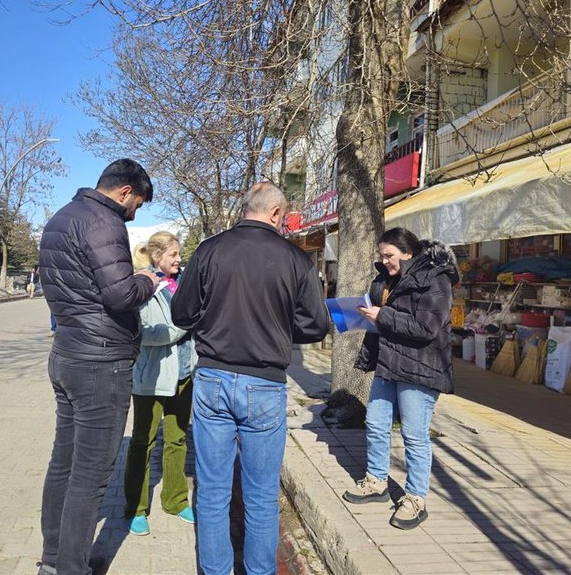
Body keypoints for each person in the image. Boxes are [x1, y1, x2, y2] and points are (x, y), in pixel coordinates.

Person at [171, 181, 330, 575]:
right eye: (284, 217)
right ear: (275, 213)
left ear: (246, 208)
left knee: (212, 492)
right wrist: (279, 328)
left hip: (213, 378)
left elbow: (181, 313)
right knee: (260, 496)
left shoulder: (209, 250)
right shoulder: (295, 259)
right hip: (264, 383)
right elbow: (316, 324)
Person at [37, 159, 160, 575]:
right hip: (100, 363)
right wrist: (148, 280)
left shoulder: (62, 217)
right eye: (137, 204)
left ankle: (53, 560)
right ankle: (72, 568)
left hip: (67, 353)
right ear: (125, 192)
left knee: (64, 464)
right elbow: (122, 295)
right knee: (89, 476)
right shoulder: (105, 222)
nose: (134, 213)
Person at [344, 227, 459, 530]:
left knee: (414, 435)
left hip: (420, 368)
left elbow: (427, 327)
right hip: (388, 363)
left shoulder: (436, 279)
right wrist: (358, 313)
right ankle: (376, 481)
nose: (384, 261)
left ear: (408, 253)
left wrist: (381, 316)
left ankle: (415, 498)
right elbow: (380, 313)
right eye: (381, 255)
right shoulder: (385, 278)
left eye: (389, 255)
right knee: (375, 423)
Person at [123, 232, 197, 536]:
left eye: (179, 254)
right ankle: (136, 508)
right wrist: (183, 327)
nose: (179, 260)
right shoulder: (142, 286)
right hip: (152, 378)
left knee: (177, 440)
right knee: (143, 441)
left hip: (184, 374)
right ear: (157, 257)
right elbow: (143, 332)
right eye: (173, 255)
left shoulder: (183, 284)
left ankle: (176, 500)